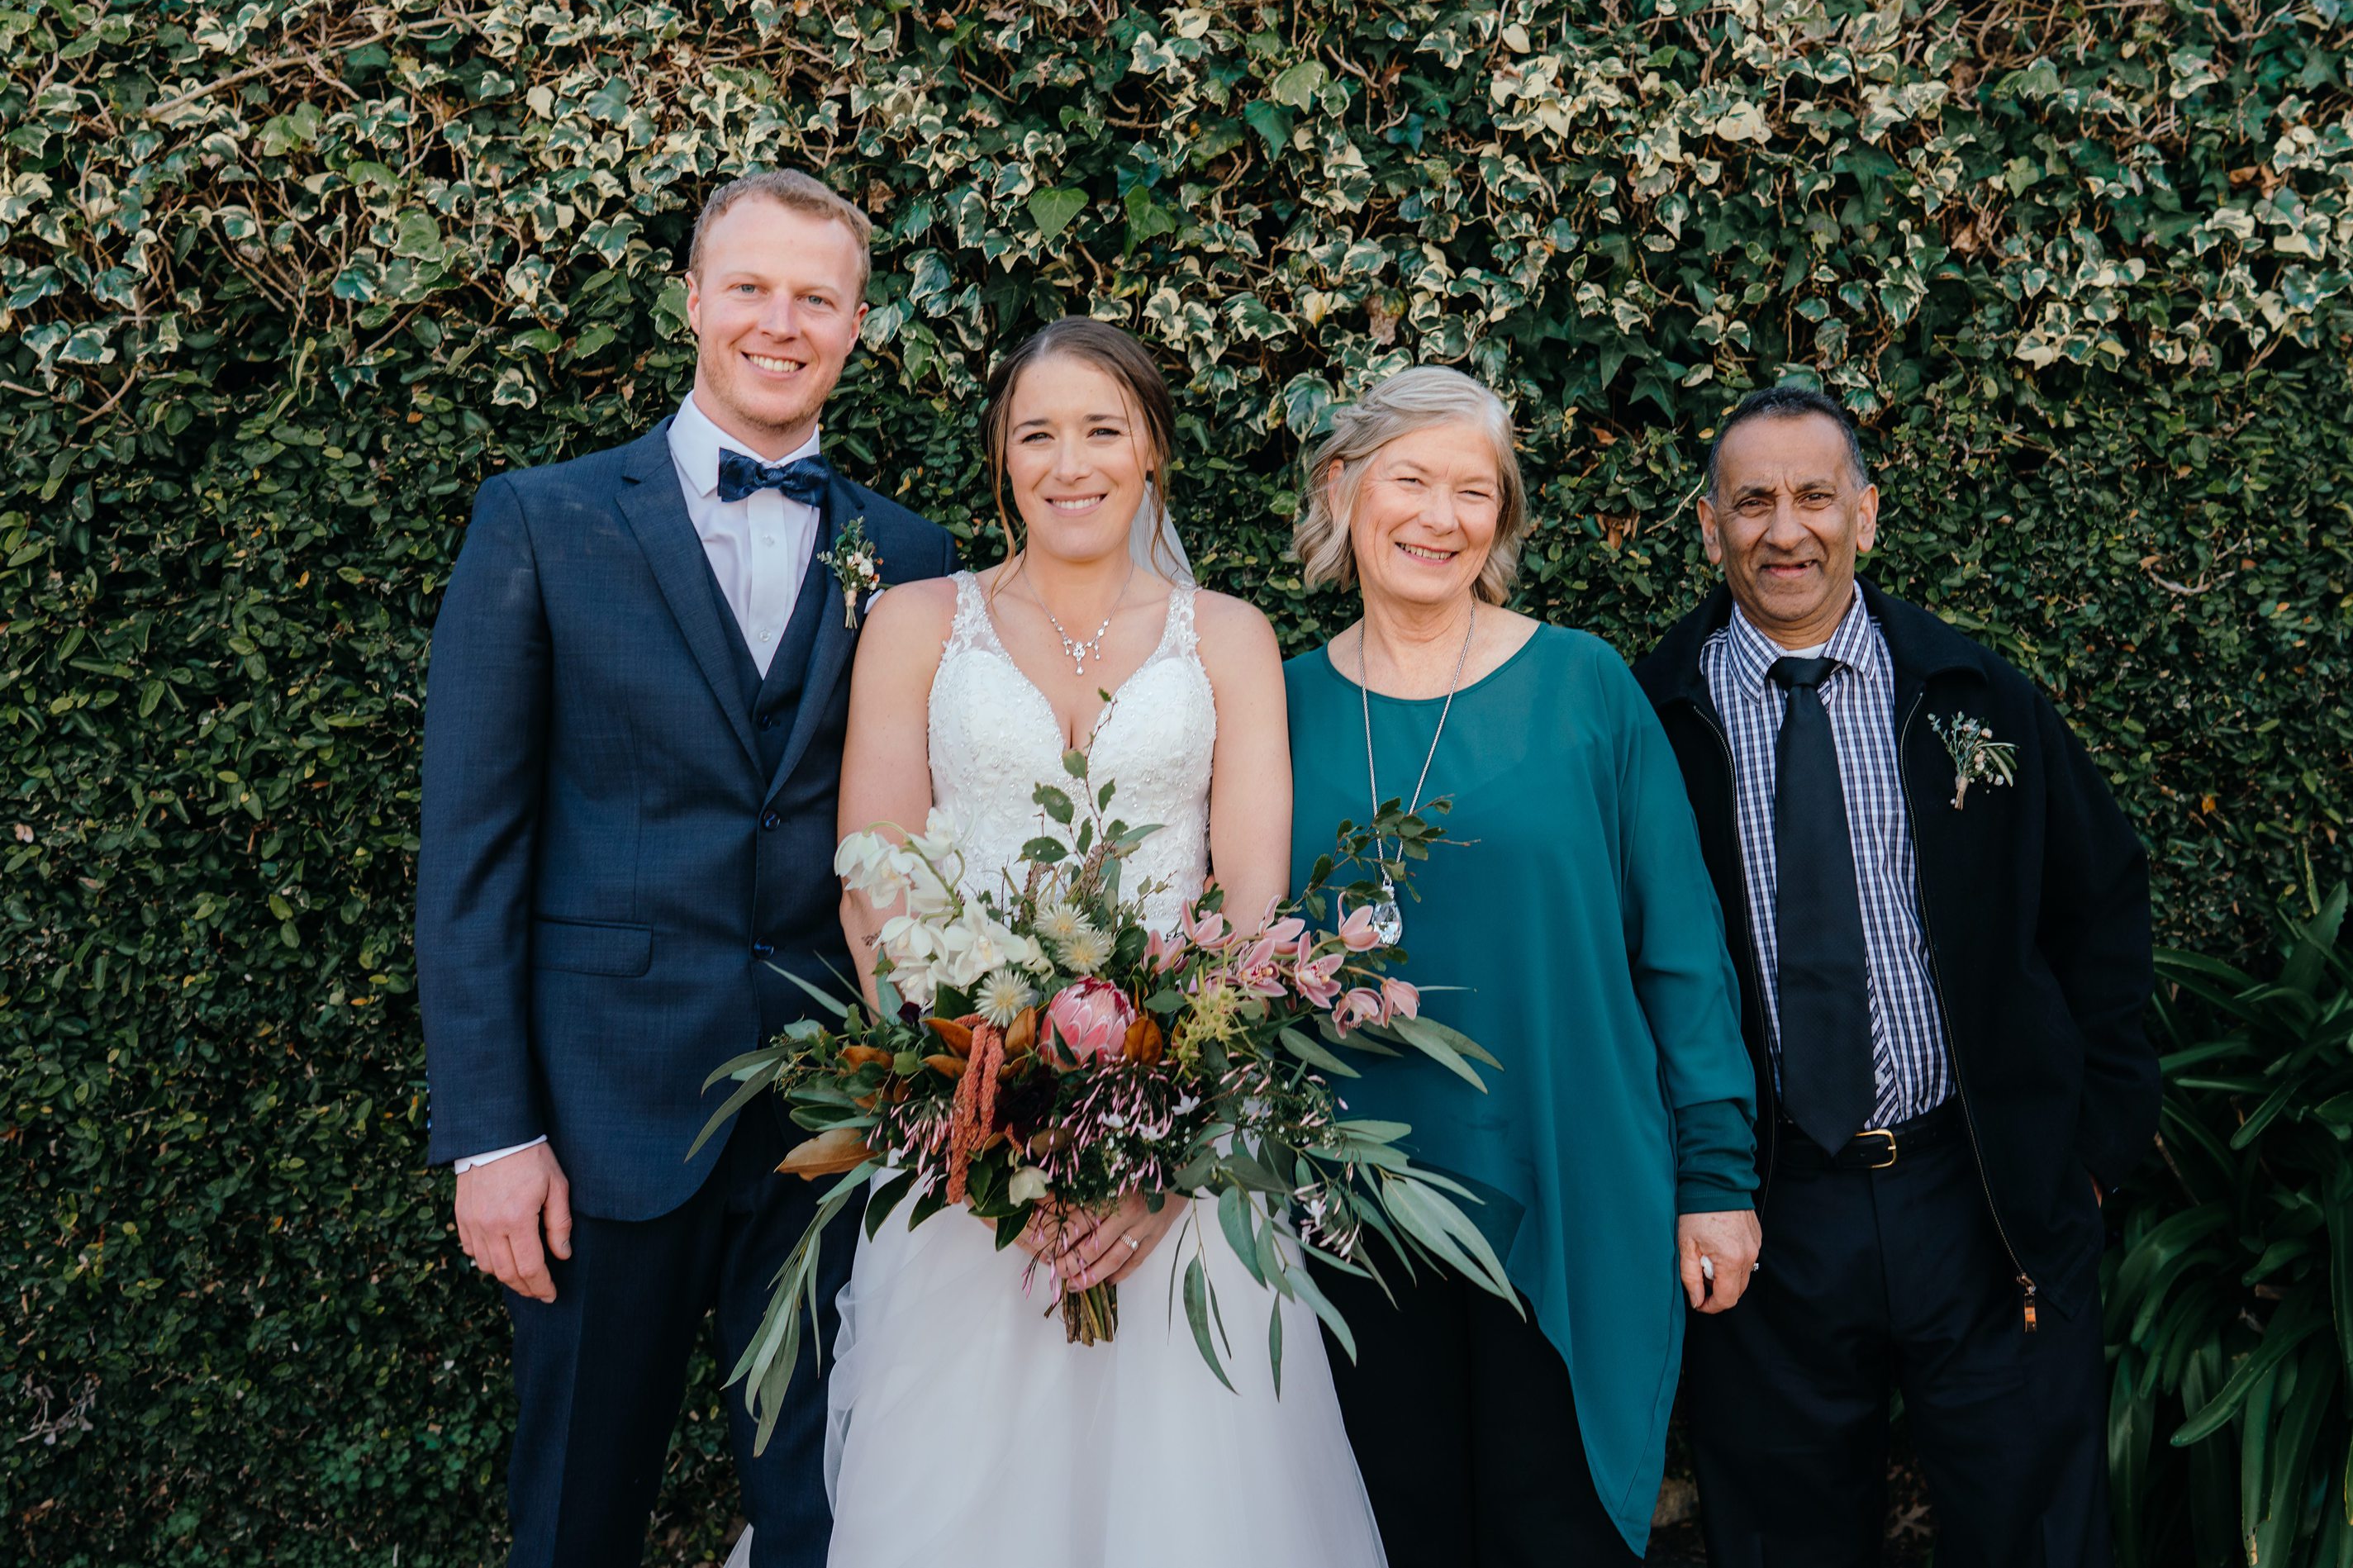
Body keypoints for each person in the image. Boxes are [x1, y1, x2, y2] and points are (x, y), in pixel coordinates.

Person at [415, 169, 957, 1567]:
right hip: (603, 1122)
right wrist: (492, 1132)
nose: (782, 322)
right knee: (578, 1510)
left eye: (817, 298)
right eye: (752, 288)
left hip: (833, 1130)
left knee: (823, 1513)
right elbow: (470, 854)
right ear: (695, 302)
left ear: (855, 324)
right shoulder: (540, 521)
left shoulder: (907, 557)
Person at [803, 317, 1385, 1567]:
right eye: (1037, 434)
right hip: (962, 1146)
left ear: (1154, 453)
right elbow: (876, 882)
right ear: (1002, 460)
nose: (1071, 462)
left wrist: (1165, 1149)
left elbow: (1247, 911)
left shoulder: (1225, 636)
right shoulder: (914, 622)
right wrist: (969, 1112)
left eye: (1103, 430)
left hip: (1178, 1146)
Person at [1631, 384, 2160, 1567]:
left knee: (2033, 1527)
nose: (1785, 530)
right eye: (1751, 500)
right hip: (1767, 1206)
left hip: (1975, 1191)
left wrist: (2087, 1153)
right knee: (1783, 1537)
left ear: (1864, 515)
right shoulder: (1649, 718)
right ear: (1709, 525)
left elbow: (2102, 902)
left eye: (1815, 496)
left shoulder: (1977, 695)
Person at [1281, 365, 1761, 1566]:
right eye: (1412, 480)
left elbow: (1684, 949)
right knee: (1396, 1533)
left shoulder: (1586, 685)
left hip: (1568, 1187)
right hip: (1352, 1220)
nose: (1440, 517)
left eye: (1475, 491)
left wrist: (1717, 1173)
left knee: (1560, 1535)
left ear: (1503, 519)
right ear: (1343, 488)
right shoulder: (1273, 705)